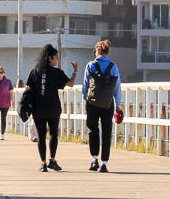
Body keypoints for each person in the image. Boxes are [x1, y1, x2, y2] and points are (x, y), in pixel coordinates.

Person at [29, 43, 77, 172]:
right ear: (49, 58)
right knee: (53, 134)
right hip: (53, 108)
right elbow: (71, 84)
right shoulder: (57, 72)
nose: (58, 60)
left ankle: (43, 163)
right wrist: (75, 71)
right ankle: (52, 160)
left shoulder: (35, 72)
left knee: (41, 136)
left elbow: (29, 89)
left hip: (38, 108)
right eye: (56, 58)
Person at [82, 40, 121, 173]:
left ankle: (94, 159)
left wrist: (86, 99)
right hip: (108, 103)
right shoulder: (113, 66)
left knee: (93, 130)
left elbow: (86, 85)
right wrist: (118, 105)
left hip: (92, 103)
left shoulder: (90, 65)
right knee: (106, 131)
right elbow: (117, 87)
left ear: (98, 51)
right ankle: (104, 163)